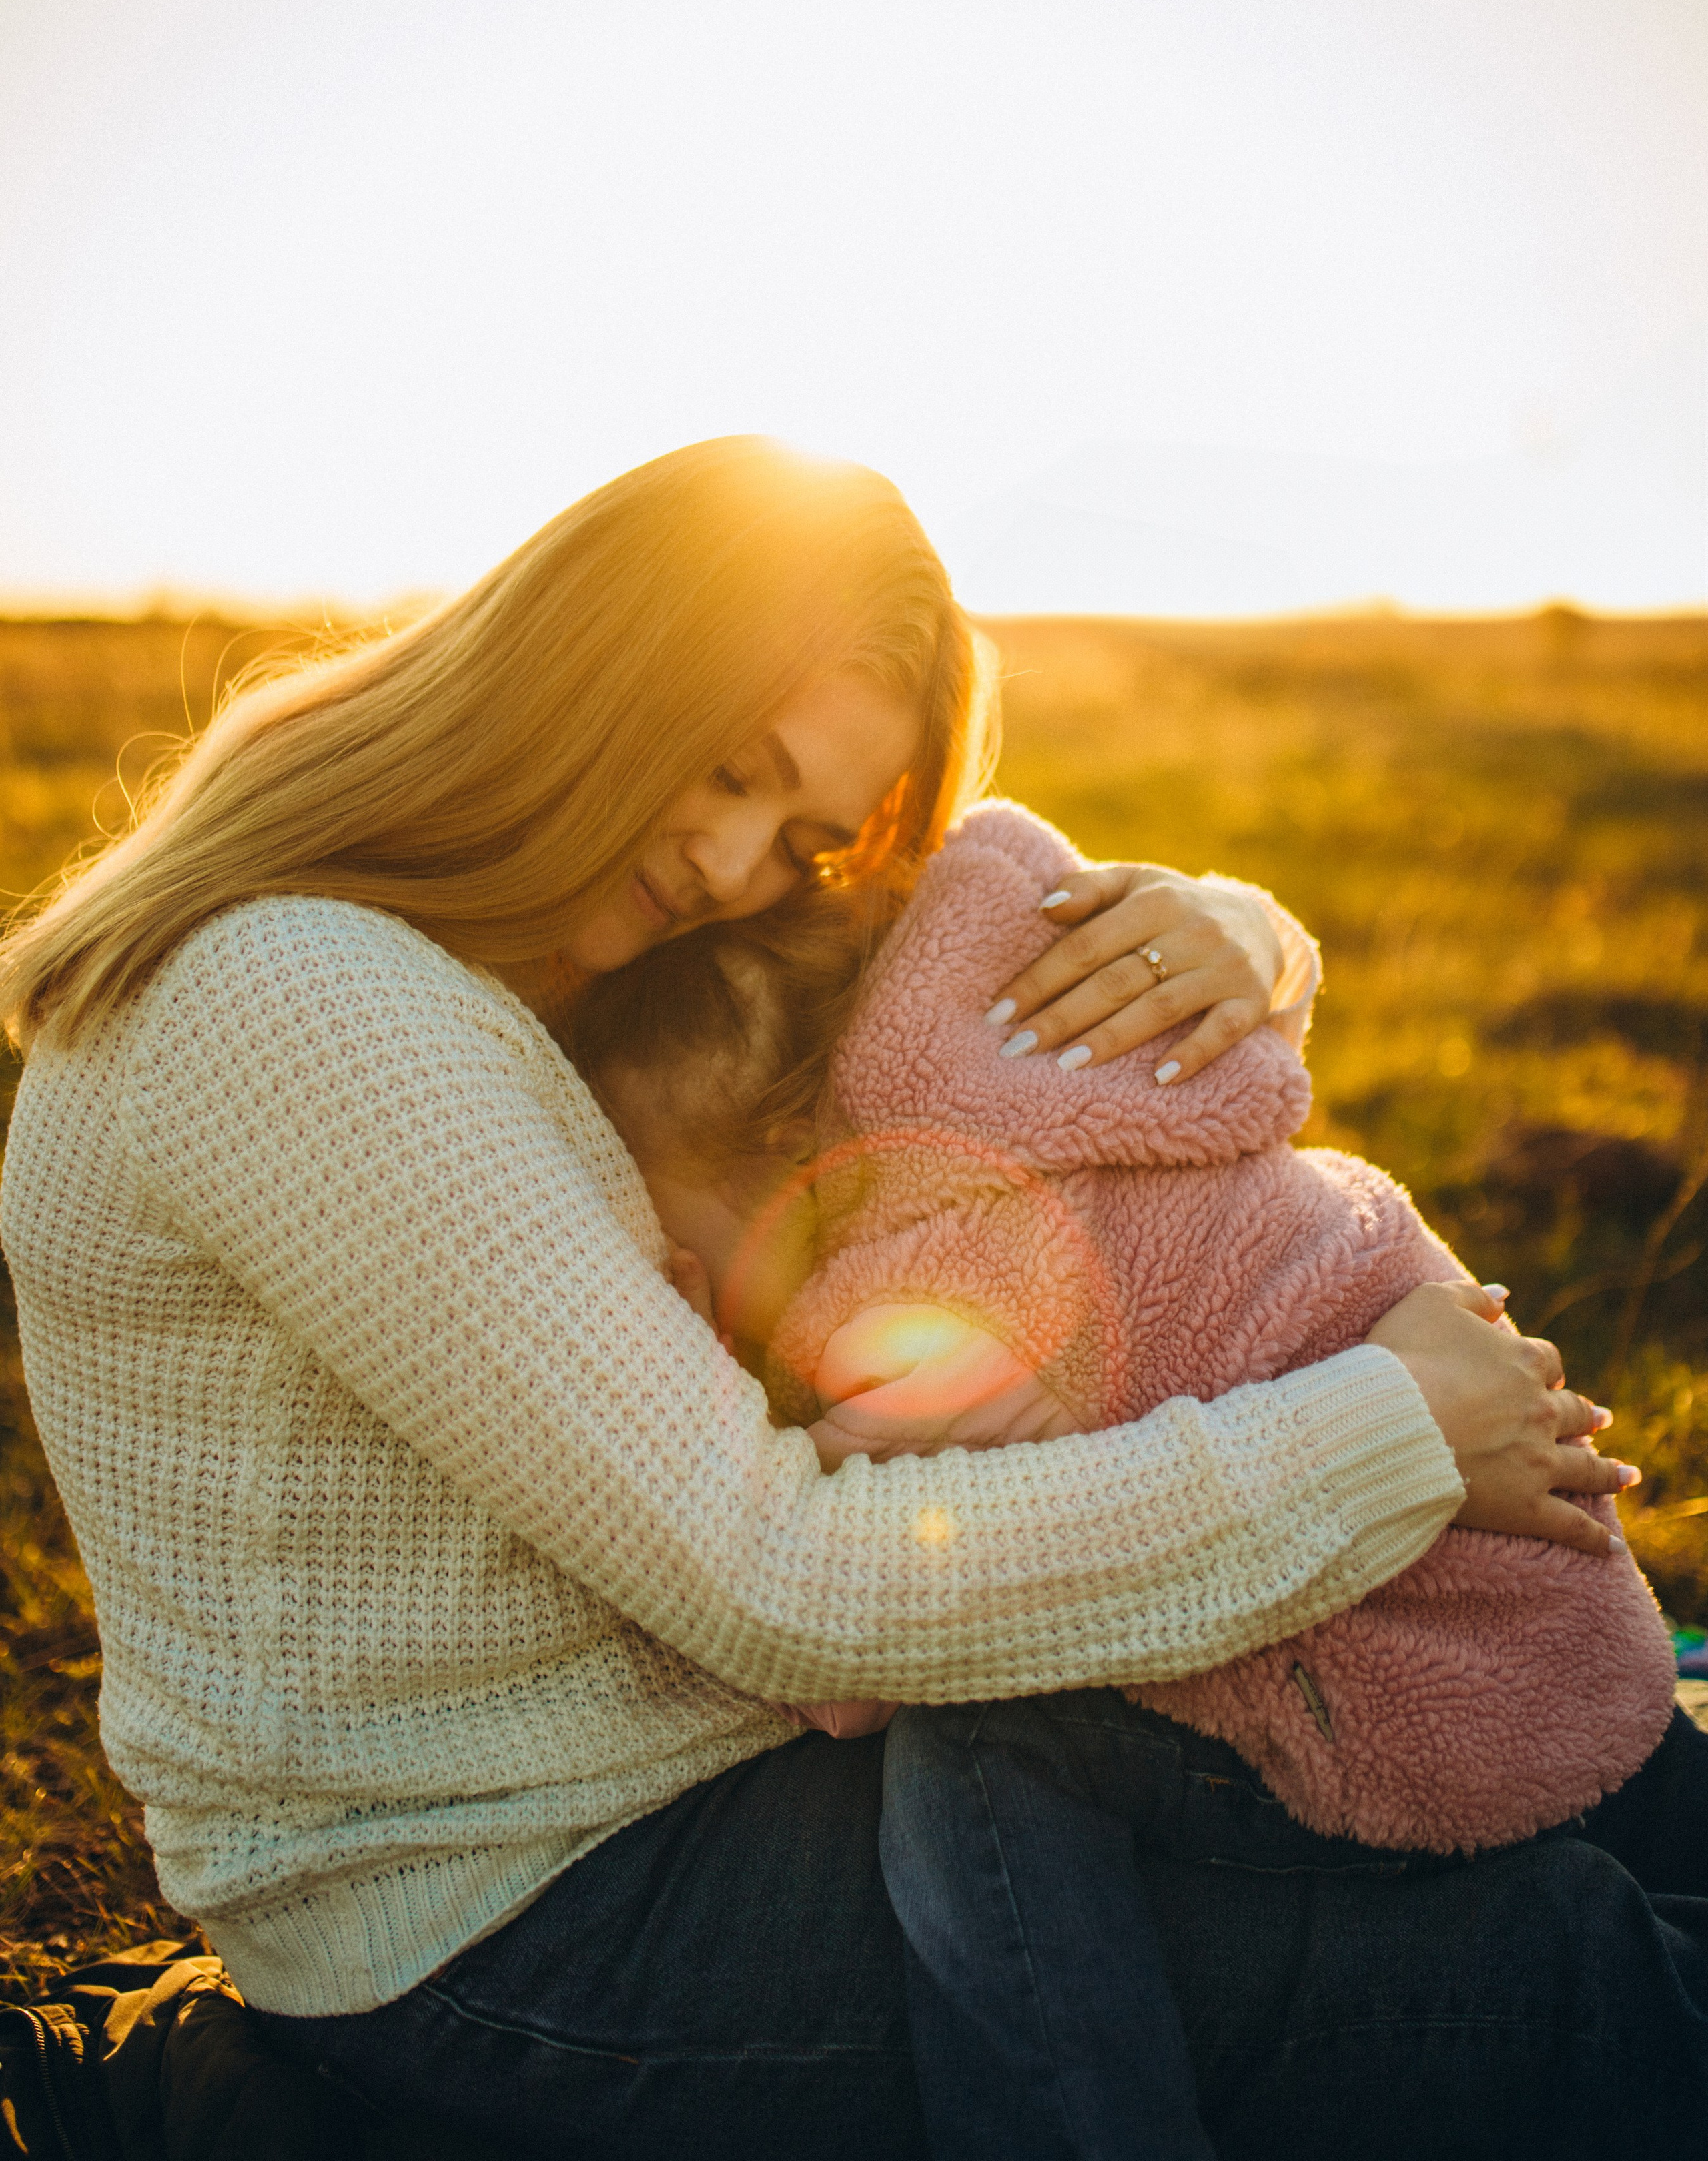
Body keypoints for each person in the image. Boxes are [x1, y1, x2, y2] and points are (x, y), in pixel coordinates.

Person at [0, 439, 1675, 2161]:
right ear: (590, 667)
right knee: (1529, 1969)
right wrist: (1392, 1435)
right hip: (517, 1926)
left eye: (798, 832)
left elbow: (911, 991)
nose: (735, 866)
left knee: (1537, 1843)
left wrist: (1237, 935)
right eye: (728, 768)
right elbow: (781, 1583)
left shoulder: (507, 938)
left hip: (674, 1792)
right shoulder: (300, 1010)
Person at [568, 799, 1685, 2157]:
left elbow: (845, 1660)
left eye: (660, 1221)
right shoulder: (1073, 1103)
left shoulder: (922, 1305)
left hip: (1403, 1667)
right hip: (1540, 1606)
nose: (664, 1268)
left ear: (786, 1166)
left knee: (976, 1738)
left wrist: (719, 1384)